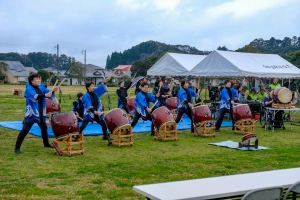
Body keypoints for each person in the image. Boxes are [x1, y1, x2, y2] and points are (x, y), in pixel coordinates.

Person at [14, 73, 58, 154]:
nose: (39, 80)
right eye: (37, 79)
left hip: (41, 112)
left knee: (44, 128)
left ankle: (46, 143)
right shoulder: (29, 89)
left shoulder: (41, 87)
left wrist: (52, 91)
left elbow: (48, 93)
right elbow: (35, 96)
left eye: (39, 79)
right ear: (32, 81)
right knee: (25, 130)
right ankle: (17, 148)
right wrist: (45, 94)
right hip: (32, 112)